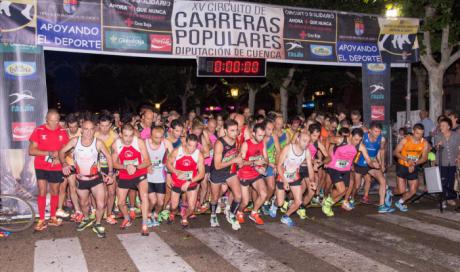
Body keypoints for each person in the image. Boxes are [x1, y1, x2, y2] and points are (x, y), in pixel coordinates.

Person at [59, 115, 114, 238]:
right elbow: (61, 151)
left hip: (96, 179)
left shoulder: (98, 143)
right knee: (84, 204)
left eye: (91, 129)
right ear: (81, 129)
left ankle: (98, 223)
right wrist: (64, 164)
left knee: (101, 204)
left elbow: (109, 157)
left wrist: (110, 173)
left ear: (94, 130)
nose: (88, 132)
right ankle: (86, 218)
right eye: (86, 129)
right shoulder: (75, 141)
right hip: (81, 179)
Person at [322, 128, 379, 217]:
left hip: (346, 169)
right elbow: (328, 140)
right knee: (341, 190)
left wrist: (373, 164)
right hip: (334, 166)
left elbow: (368, 159)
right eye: (356, 139)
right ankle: (327, 204)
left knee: (344, 191)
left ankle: (328, 202)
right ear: (350, 136)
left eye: (359, 140)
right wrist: (327, 155)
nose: (357, 142)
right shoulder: (340, 140)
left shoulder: (360, 146)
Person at [29, 109, 69, 231]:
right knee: (42, 191)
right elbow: (31, 151)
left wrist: (60, 158)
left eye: (57, 120)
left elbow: (67, 149)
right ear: (47, 120)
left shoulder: (62, 131)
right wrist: (50, 153)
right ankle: (41, 219)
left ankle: (53, 217)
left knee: (55, 191)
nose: (55, 123)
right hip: (41, 165)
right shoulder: (39, 130)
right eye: (52, 121)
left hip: (55, 166)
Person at [112, 124, 152, 236]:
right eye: (125, 136)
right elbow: (114, 162)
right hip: (125, 174)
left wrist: (136, 167)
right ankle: (127, 218)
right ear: (120, 135)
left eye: (130, 135)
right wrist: (125, 167)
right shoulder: (116, 144)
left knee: (144, 196)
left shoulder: (139, 142)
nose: (128, 138)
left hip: (139, 172)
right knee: (120, 202)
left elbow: (148, 161)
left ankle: (144, 224)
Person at [351, 122, 394, 213]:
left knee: (383, 181)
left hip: (372, 164)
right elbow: (354, 146)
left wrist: (382, 164)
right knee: (357, 185)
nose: (377, 133)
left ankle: (381, 205)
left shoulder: (382, 139)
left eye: (379, 131)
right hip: (360, 163)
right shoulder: (363, 136)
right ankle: (351, 198)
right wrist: (351, 163)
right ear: (370, 130)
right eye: (375, 131)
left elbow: (381, 151)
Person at [273, 133, 314, 226]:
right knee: (280, 203)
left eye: (308, 142)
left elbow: (310, 168)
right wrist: (284, 181)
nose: (306, 143)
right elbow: (279, 166)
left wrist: (312, 181)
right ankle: (274, 205)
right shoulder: (288, 148)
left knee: (298, 201)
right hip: (282, 175)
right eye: (304, 141)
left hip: (294, 176)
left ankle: (286, 216)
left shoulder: (307, 151)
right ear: (298, 139)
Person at [209, 119, 243, 230]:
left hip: (229, 171)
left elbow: (235, 155)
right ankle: (213, 215)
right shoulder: (219, 143)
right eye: (232, 130)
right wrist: (234, 161)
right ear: (225, 131)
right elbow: (217, 165)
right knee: (214, 197)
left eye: (236, 130)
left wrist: (239, 160)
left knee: (238, 196)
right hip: (217, 173)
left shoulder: (237, 140)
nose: (235, 133)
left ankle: (231, 215)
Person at [166, 134, 205, 227]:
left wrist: (189, 181)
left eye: (195, 146)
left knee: (191, 208)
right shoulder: (177, 151)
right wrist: (174, 172)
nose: (192, 149)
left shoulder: (198, 154)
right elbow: (168, 163)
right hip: (177, 182)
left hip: (191, 182)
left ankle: (185, 217)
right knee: (174, 206)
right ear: (185, 144)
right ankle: (172, 213)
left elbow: (201, 174)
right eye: (190, 145)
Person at [392, 123, 430, 212]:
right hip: (402, 166)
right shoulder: (406, 140)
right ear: (413, 131)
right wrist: (407, 160)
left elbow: (424, 158)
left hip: (414, 166)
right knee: (401, 190)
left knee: (413, 191)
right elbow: (395, 152)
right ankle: (390, 193)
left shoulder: (424, 143)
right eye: (417, 133)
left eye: (421, 134)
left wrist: (414, 163)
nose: (419, 136)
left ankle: (400, 202)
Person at [237, 123, 268, 225]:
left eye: (263, 135)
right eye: (259, 135)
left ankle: (254, 213)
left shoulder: (262, 143)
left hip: (255, 173)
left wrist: (263, 167)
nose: (261, 137)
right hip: (244, 174)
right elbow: (240, 164)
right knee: (245, 202)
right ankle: (239, 212)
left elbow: (266, 159)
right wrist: (254, 163)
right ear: (253, 133)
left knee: (263, 194)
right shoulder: (246, 144)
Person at [146, 126, 173, 227]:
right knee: (153, 200)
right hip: (148, 177)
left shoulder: (166, 143)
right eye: (156, 137)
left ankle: (155, 215)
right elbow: (140, 157)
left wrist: (170, 174)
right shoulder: (145, 143)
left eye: (161, 137)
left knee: (160, 203)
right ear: (151, 136)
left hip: (161, 177)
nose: (159, 140)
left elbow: (173, 159)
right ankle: (148, 215)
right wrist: (147, 165)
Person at [95, 113, 119, 224]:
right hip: (98, 168)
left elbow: (119, 152)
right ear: (98, 124)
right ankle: (100, 212)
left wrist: (117, 168)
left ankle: (109, 214)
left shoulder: (115, 136)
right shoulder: (94, 135)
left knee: (112, 192)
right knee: (102, 194)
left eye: (107, 125)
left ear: (111, 125)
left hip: (111, 167)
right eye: (102, 125)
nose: (104, 128)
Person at [433, 118, 460, 207]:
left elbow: (459, 147)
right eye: (441, 125)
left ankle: (450, 197)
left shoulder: (456, 135)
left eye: (443, 125)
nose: (441, 127)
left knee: (451, 180)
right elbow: (436, 148)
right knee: (442, 180)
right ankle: (443, 198)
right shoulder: (438, 136)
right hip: (442, 161)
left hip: (453, 161)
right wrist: (438, 146)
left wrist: (458, 156)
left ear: (449, 126)